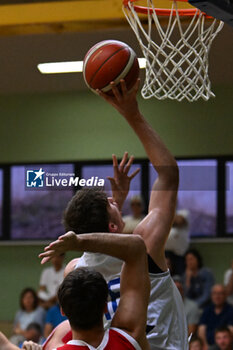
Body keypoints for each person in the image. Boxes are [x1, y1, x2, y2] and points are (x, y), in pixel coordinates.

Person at [39, 79, 188, 349]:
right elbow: (168, 173)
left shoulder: (74, 271)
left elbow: (100, 244)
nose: (112, 197)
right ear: (113, 225)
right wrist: (132, 114)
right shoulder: (145, 244)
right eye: (109, 201)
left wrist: (115, 204)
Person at [1, 232, 150, 350]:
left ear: (63, 312)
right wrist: (79, 241)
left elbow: (4, 345)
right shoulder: (128, 338)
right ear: (105, 306)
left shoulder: (54, 345)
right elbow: (136, 246)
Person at [198, 284, 233, 348]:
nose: (217, 296)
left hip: (225, 345)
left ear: (225, 295)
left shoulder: (231, 311)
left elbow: (231, 331)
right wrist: (206, 346)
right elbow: (201, 330)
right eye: (214, 293)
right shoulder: (207, 310)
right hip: (208, 346)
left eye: (220, 293)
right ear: (211, 295)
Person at [165, 209, 190, 275]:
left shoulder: (184, 212)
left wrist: (165, 218)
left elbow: (179, 221)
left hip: (179, 256)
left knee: (178, 280)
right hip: (165, 254)